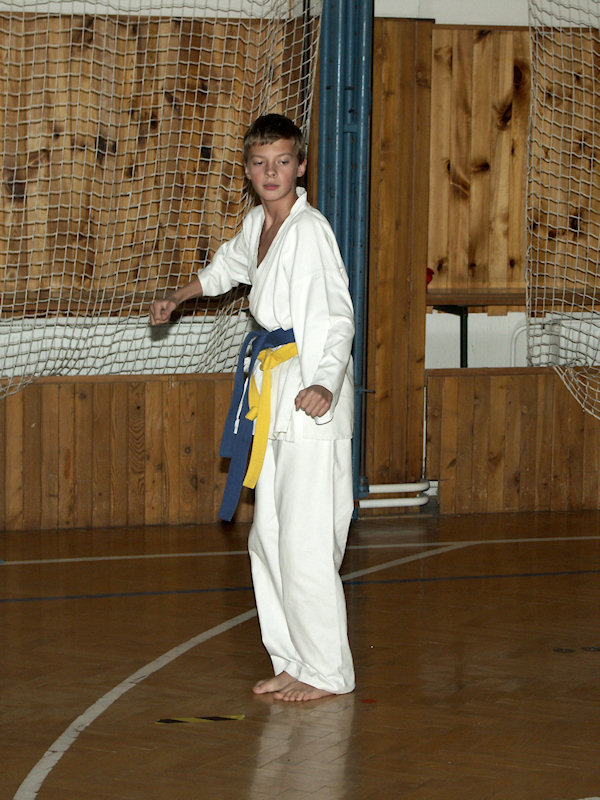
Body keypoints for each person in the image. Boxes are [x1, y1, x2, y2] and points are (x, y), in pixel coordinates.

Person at [149, 113, 355, 702]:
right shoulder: (260, 225)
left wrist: (325, 383)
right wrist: (179, 297)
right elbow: (228, 268)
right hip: (272, 392)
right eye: (260, 163)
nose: (271, 173)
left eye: (283, 162)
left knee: (306, 540)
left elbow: (337, 317)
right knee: (268, 538)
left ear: (300, 166)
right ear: (247, 170)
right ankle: (293, 659)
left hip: (308, 390)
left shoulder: (310, 231)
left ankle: (328, 671)